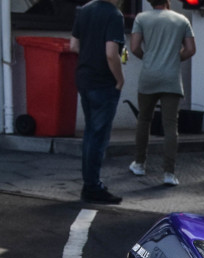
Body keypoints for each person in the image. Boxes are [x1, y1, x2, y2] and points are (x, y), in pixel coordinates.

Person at [128, 0, 196, 187]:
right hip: (171, 78)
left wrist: (149, 58)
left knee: (144, 119)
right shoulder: (181, 20)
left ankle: (140, 163)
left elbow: (134, 47)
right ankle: (169, 172)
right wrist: (174, 58)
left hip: (149, 76)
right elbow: (191, 49)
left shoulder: (142, 18)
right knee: (170, 126)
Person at [70, 0, 125, 205]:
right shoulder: (114, 15)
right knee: (99, 136)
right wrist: (120, 79)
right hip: (103, 82)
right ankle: (93, 186)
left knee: (90, 133)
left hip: (84, 77)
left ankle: (89, 183)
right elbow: (112, 54)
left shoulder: (84, 10)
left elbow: (74, 45)